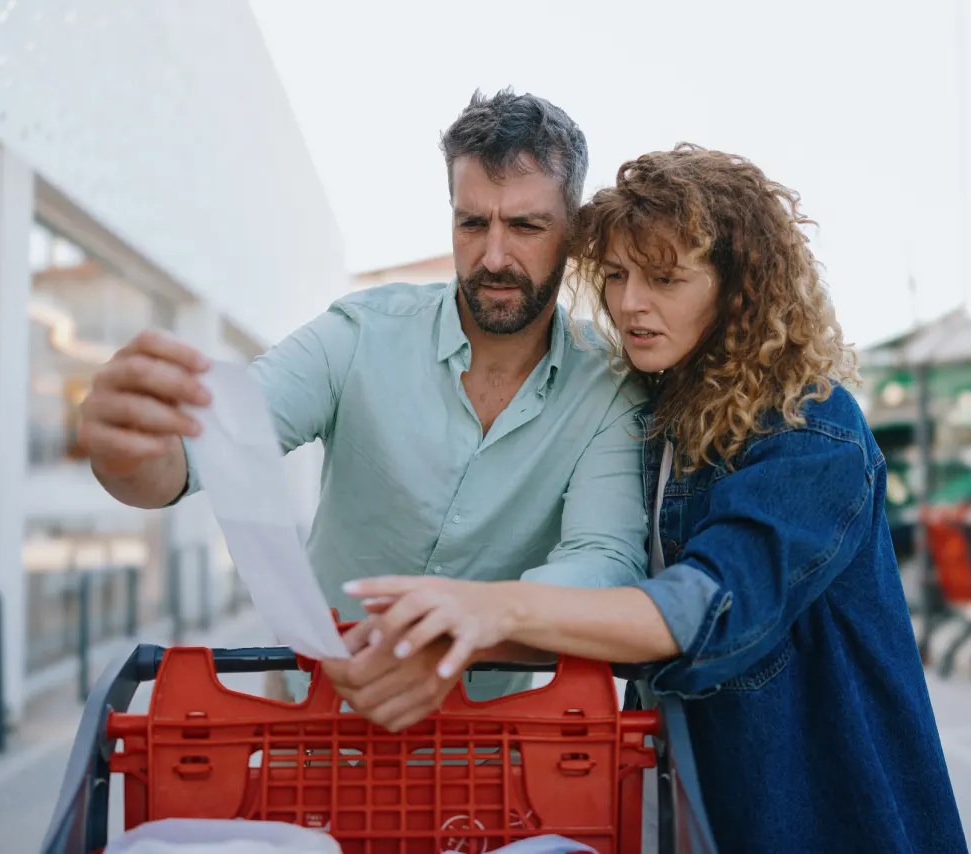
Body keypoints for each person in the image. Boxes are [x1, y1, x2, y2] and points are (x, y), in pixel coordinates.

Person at [344, 144, 969, 852]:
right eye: (615, 275)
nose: (630, 303)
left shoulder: (811, 429)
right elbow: (616, 606)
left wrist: (490, 607)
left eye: (665, 278)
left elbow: (704, 611)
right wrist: (450, 639)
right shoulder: (658, 411)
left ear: (741, 288)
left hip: (829, 818)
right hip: (693, 811)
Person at [77, 89, 647, 728]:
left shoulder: (608, 386)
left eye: (525, 226)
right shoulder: (358, 335)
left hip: (486, 742)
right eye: (470, 223)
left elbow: (604, 562)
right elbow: (194, 457)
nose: (492, 256)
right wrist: (125, 448)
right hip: (313, 718)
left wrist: (464, 637)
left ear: (573, 232)